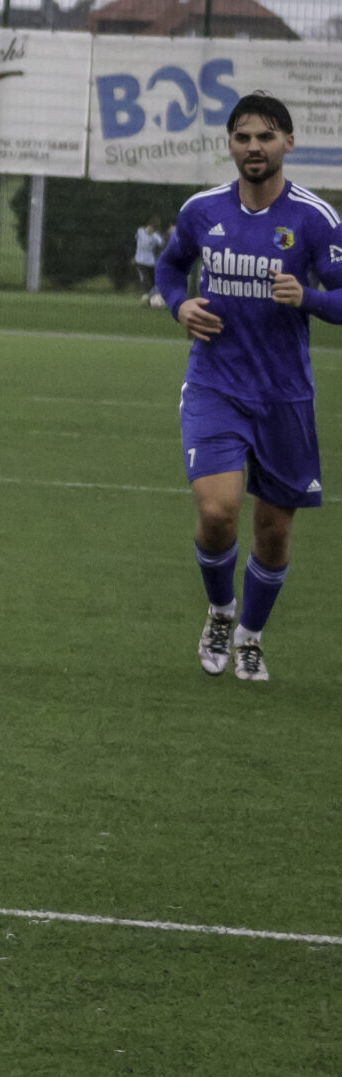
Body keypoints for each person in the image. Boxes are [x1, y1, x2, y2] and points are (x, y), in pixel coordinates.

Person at [153, 91, 342, 684]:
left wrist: (307, 297)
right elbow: (168, 266)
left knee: (274, 528)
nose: (253, 148)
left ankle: (250, 637)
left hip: (285, 396)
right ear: (230, 144)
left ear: (288, 142)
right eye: (242, 137)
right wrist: (180, 304)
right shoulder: (202, 211)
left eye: (265, 137)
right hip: (215, 382)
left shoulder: (316, 219)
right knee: (217, 513)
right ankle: (219, 611)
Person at [134, 215, 167, 306]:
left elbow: (162, 243)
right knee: (146, 281)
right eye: (152, 228)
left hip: (151, 262)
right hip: (140, 261)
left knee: (154, 283)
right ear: (149, 226)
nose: (152, 231)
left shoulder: (155, 236)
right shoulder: (140, 231)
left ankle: (153, 300)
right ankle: (150, 300)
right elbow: (136, 240)